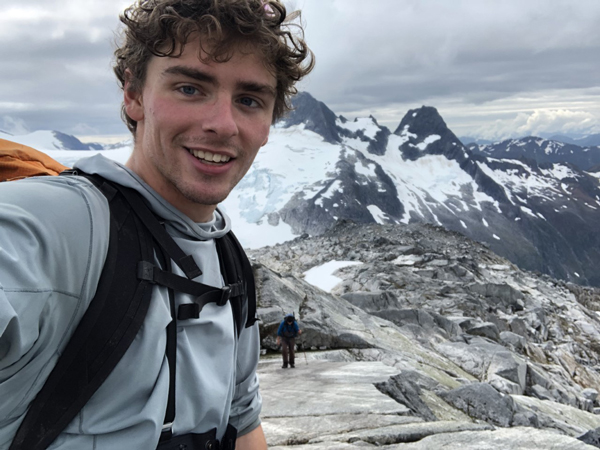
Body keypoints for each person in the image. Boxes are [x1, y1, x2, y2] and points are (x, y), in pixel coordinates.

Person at [0, 0, 313, 449]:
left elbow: (242, 425)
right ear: (133, 94)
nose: (223, 124)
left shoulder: (230, 263)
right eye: (190, 88)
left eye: (249, 100)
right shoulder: (61, 228)